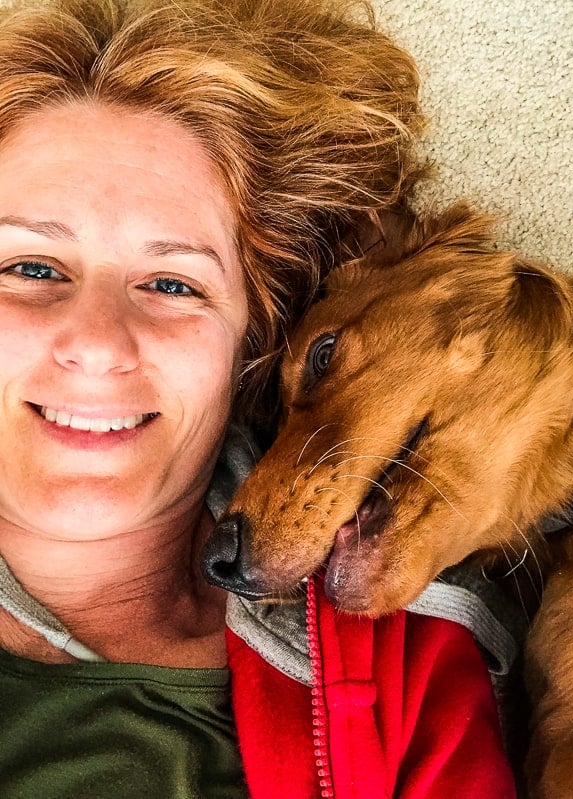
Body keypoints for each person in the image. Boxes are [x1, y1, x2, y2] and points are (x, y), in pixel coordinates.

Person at [0, 0, 519, 796]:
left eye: (172, 283)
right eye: (32, 267)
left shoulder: (403, 658)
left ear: (253, 343)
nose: (98, 341)